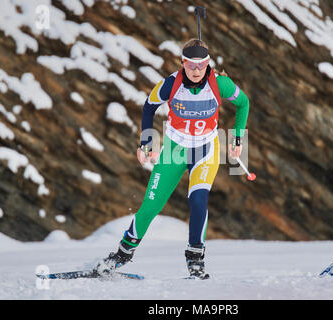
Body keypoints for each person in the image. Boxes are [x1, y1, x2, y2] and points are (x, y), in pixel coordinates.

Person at [98, 38, 250, 279]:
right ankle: (122, 254)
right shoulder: (170, 84)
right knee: (151, 205)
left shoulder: (221, 84)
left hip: (205, 150)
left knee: (198, 201)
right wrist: (146, 141)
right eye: (191, 65)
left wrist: (238, 137)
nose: (197, 70)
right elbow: (149, 105)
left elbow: (243, 103)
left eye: (202, 65)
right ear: (183, 63)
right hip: (174, 150)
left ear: (208, 63)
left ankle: (195, 259)